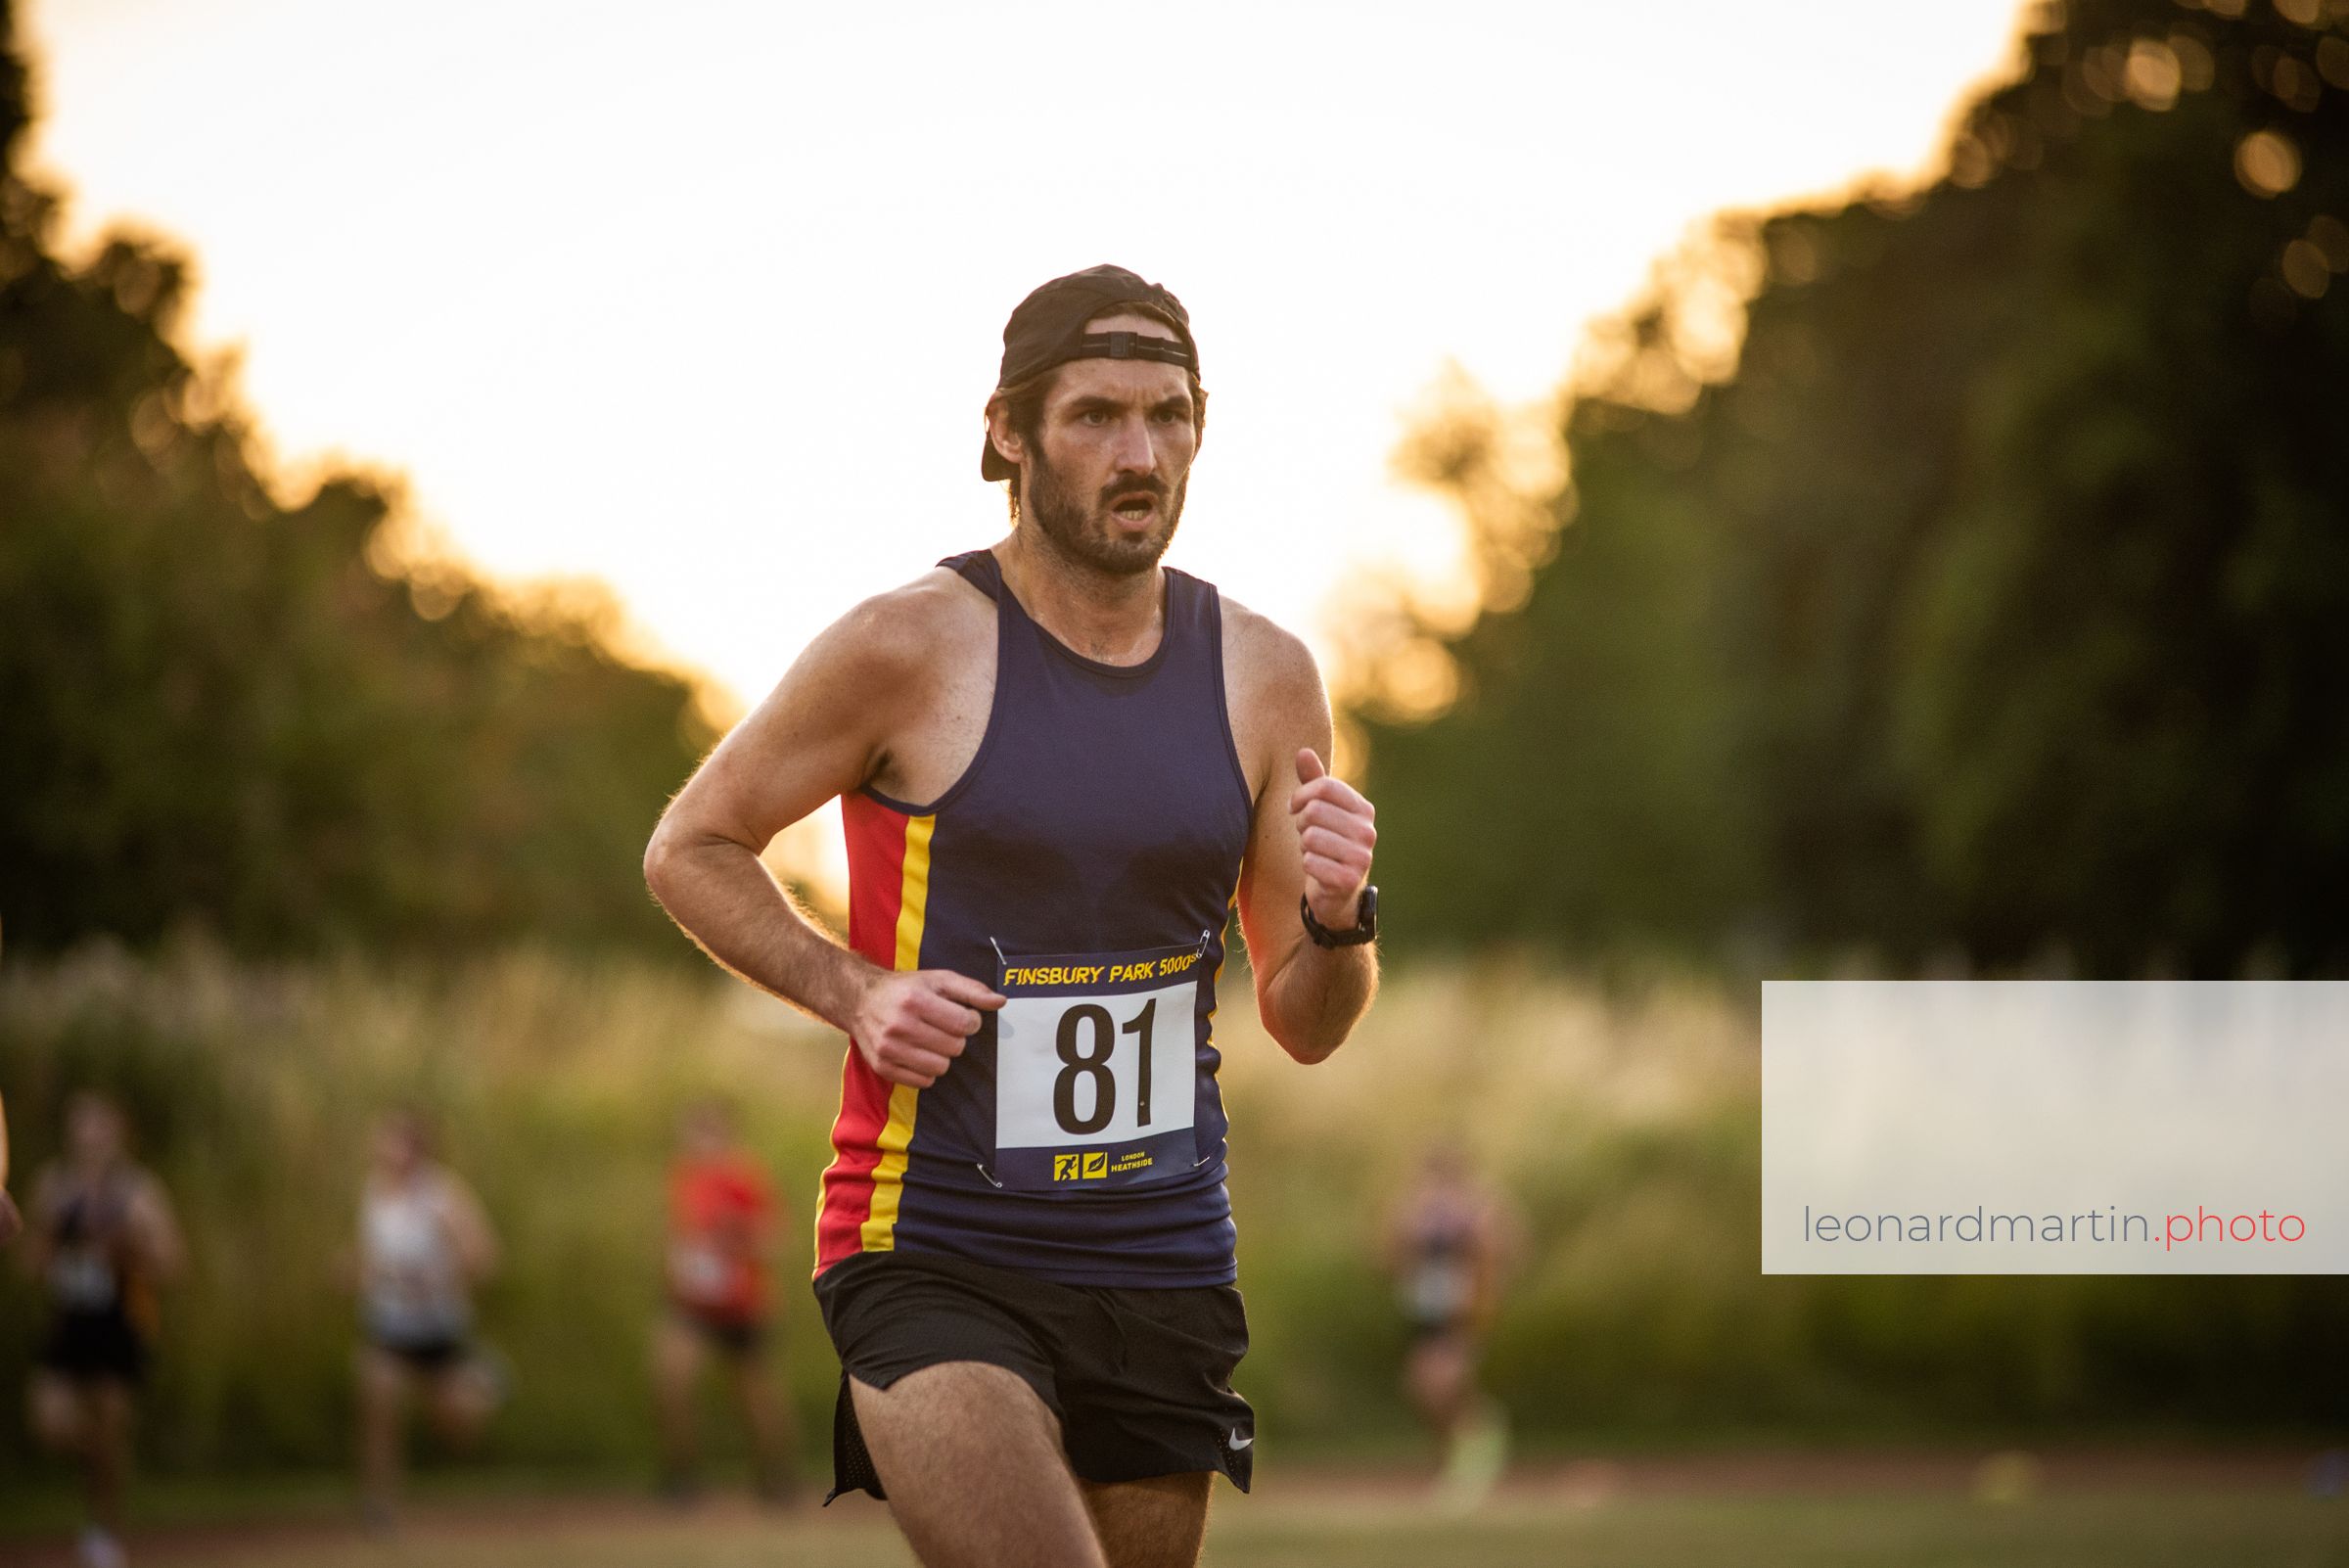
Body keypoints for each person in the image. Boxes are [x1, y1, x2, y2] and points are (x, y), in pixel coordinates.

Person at [643, 263, 1381, 1568]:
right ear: (1009, 431)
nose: (1140, 454)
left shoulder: (1267, 674)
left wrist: (1336, 915)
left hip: (1164, 1259)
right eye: (1096, 415)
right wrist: (853, 990)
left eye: (1168, 416)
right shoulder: (904, 645)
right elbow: (690, 845)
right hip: (936, 1247)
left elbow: (1309, 1024)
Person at [22, 1093, 185, 1568]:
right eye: (83, 1126)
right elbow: (30, 1263)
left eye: (101, 1127)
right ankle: (96, 1463)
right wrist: (49, 1243)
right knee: (52, 1424)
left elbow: (174, 1264)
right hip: (67, 1326)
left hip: (117, 1326)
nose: (91, 1137)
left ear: (119, 1134)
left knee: (111, 1429)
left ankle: (104, 1532)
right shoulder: (52, 1187)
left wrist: (132, 1249)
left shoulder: (139, 1192)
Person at [351, 1108, 502, 1529]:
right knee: (377, 1398)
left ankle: (483, 1385)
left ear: (417, 1149)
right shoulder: (372, 1193)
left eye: (396, 1142)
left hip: (439, 1328)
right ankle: (378, 1504)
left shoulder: (442, 1196)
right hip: (388, 1325)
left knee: (456, 1427)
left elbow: (485, 1257)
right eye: (383, 1141)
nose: (386, 1150)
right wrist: (357, 1271)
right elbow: (371, 1257)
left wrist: (446, 1271)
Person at [653, 1097, 798, 1503]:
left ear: (725, 1135)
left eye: (705, 1132)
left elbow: (777, 1240)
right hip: (693, 1305)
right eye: (690, 1133)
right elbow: (680, 1234)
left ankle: (777, 1478)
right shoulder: (684, 1177)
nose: (696, 1142)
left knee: (756, 1399)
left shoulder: (744, 1177)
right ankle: (681, 1477)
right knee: (671, 1379)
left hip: (742, 1305)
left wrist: (737, 1239)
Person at [1382, 1142, 1522, 1511]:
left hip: (1460, 1311)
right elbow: (1392, 1255)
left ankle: (1475, 1457)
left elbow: (1500, 1250)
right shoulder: (1416, 1207)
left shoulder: (1478, 1206)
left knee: (1442, 1384)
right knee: (1421, 1387)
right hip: (1425, 1310)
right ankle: (1460, 1456)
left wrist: (1482, 1296)